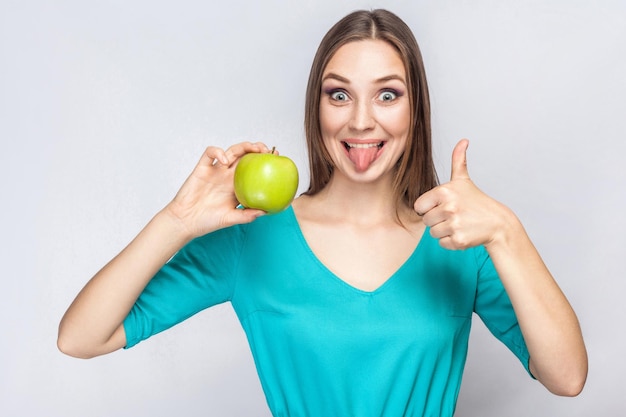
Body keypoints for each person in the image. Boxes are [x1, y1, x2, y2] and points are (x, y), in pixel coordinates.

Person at [58, 9, 587, 416]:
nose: (361, 120)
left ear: (414, 108)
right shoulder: (253, 237)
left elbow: (566, 377)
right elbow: (81, 337)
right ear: (317, 106)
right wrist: (176, 221)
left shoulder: (458, 239)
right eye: (339, 95)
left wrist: (506, 232)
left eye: (387, 94)